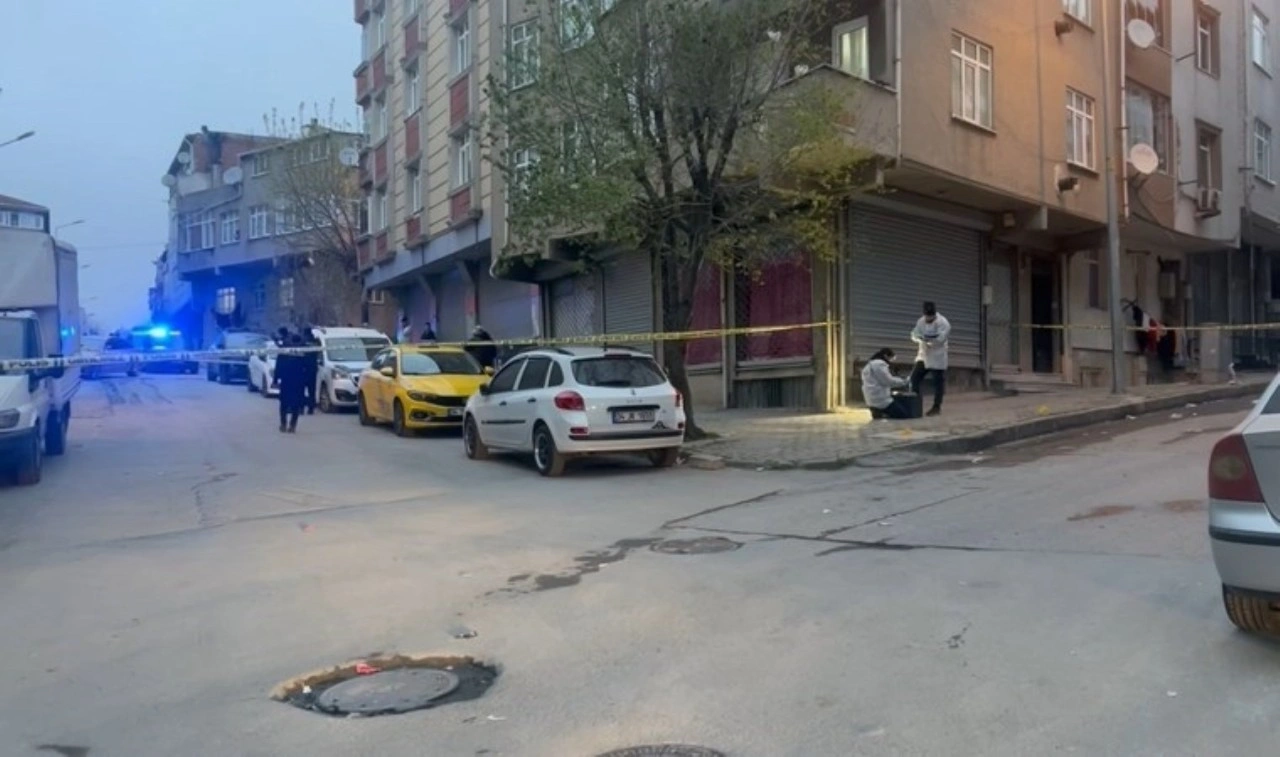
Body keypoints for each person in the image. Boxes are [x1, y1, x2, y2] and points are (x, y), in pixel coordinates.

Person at [909, 301, 951, 417]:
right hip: (923, 355)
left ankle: (936, 407)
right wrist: (919, 338)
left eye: (931, 317)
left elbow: (941, 339)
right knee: (914, 379)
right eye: (927, 316)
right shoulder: (921, 321)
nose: (928, 319)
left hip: (937, 356)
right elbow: (914, 334)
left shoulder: (943, 323)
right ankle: (916, 404)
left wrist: (929, 340)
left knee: (937, 383)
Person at [273, 334, 309, 433]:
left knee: (284, 403)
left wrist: (275, 380)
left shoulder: (285, 351)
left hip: (286, 381)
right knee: (295, 404)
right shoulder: (304, 351)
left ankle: (283, 424)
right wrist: (306, 381)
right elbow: (308, 367)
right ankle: (292, 425)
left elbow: (278, 366)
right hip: (298, 381)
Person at [861, 348, 911, 420]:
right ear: (886, 356)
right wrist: (904, 381)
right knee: (904, 415)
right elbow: (888, 381)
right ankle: (884, 413)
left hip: (870, 399)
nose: (891, 361)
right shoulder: (879, 365)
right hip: (881, 399)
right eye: (891, 358)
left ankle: (878, 412)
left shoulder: (869, 365)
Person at [299, 326, 319, 414]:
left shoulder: (302, 341)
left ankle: (301, 408)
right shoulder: (316, 341)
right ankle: (311, 408)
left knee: (301, 389)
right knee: (312, 389)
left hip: (303, 368)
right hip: (313, 368)